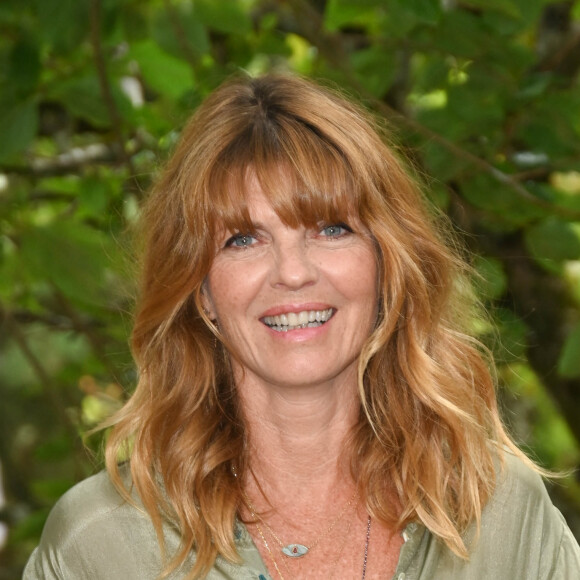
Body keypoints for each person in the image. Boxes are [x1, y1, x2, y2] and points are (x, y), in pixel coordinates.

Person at [24, 73, 580, 580]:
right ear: (201, 290)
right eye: (243, 239)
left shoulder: (501, 514)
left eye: (331, 229)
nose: (292, 273)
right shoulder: (102, 546)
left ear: (386, 264)